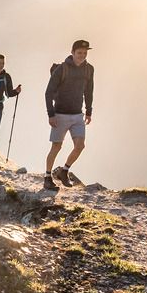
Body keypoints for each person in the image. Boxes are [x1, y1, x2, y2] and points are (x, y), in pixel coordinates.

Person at [44, 39, 94, 188]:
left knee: (80, 146)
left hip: (77, 115)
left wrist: (89, 111)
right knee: (56, 146)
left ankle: (64, 171)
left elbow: (89, 91)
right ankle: (47, 177)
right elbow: (49, 92)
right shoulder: (62, 68)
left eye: (85, 53)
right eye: (79, 53)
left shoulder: (89, 69)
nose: (82, 55)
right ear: (72, 52)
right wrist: (51, 114)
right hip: (60, 114)